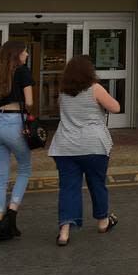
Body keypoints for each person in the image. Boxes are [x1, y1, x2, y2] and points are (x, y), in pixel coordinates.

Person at [48, 55, 121, 247]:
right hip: (93, 145)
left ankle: (64, 231)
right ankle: (103, 221)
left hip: (65, 146)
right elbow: (115, 107)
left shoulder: (63, 93)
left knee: (68, 187)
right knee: (97, 183)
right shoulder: (95, 89)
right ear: (89, 71)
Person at [0, 40, 34, 243]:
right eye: (25, 51)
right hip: (14, 122)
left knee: (1, 176)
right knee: (24, 169)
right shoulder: (23, 72)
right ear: (16, 54)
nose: (27, 55)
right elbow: (29, 102)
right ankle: (12, 213)